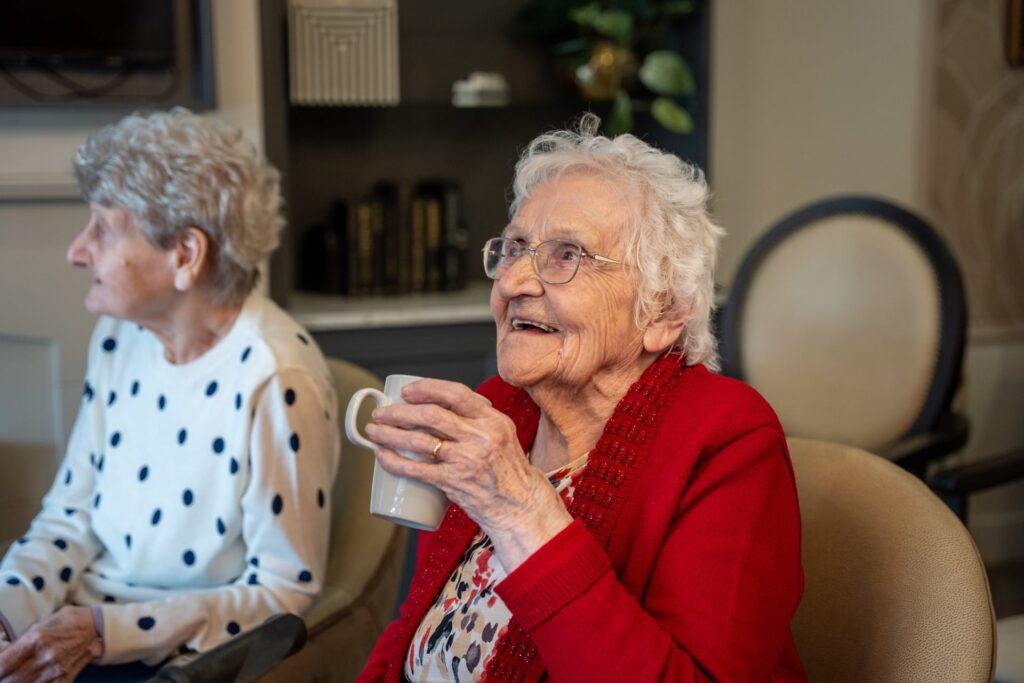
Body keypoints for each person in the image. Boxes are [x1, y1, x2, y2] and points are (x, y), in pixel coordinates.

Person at [357, 115, 806, 682]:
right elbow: (413, 628)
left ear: (662, 312)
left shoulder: (729, 442)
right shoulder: (500, 407)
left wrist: (520, 510)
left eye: (567, 255)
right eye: (515, 248)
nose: (513, 282)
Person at [0, 108, 339, 681]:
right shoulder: (120, 336)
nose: (77, 251)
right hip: (74, 625)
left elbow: (284, 590)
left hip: (171, 659)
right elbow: (68, 518)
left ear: (185, 254)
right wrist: (8, 616)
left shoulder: (276, 377)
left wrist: (103, 633)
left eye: (102, 229)